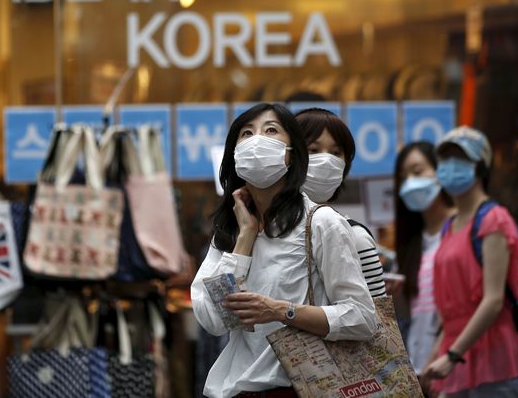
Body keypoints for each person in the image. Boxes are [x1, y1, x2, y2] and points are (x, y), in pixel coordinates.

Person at [191, 103, 377, 398]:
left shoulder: (321, 223)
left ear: (292, 153)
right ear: (234, 152)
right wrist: (245, 239)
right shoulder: (230, 231)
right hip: (237, 390)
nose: (256, 140)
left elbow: (363, 318)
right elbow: (216, 320)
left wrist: (279, 310)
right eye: (246, 133)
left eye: (271, 130)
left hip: (301, 387)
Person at [422, 126, 518, 397]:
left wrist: (452, 354)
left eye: (460, 158)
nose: (449, 166)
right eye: (444, 159)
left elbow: (493, 300)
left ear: (480, 167)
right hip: (456, 353)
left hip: (492, 354)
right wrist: (436, 356)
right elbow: (451, 311)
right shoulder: (450, 226)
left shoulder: (494, 219)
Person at [295, 108, 387, 298]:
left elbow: (378, 322)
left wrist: (285, 312)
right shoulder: (258, 229)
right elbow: (221, 314)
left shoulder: (355, 237)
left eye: (336, 152)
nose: (327, 160)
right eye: (313, 150)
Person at [393, 141, 455, 375]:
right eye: (403, 176)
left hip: (450, 366)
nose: (410, 182)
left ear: (440, 172)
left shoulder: (460, 229)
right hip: (418, 368)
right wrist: (396, 295)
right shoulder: (412, 243)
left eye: (418, 171)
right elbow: (411, 315)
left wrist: (436, 358)